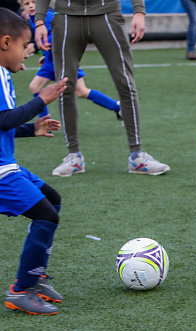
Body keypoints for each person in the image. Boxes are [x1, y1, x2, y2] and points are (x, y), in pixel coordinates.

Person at [34, 0, 170, 177]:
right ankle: (74, 156)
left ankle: (137, 156)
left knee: (126, 84)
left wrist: (139, 12)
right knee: (64, 87)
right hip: (67, 17)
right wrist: (39, 21)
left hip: (107, 13)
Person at [0, 8, 68, 315]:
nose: (27, 57)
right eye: (24, 48)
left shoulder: (4, 74)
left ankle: (34, 276)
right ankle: (21, 289)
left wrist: (32, 128)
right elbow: (3, 120)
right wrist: (41, 100)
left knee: (51, 201)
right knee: (46, 214)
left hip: (7, 162)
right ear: (5, 42)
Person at [20, 0, 122, 120]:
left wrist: (36, 47)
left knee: (81, 92)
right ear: (22, 7)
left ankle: (117, 107)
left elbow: (62, 33)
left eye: (34, 2)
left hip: (65, 60)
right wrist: (46, 54)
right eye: (27, 3)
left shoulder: (47, 16)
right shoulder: (34, 20)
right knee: (35, 87)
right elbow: (48, 38)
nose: (31, 5)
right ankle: (45, 122)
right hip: (51, 63)